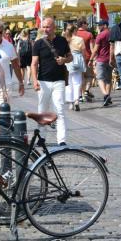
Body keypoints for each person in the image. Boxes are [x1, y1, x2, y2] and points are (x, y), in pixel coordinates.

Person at [31, 17, 72, 146]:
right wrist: (34, 80)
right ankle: (42, 138)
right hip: (43, 81)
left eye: (48, 27)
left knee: (59, 110)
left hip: (59, 80)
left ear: (54, 27)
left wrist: (64, 60)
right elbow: (34, 64)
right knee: (42, 110)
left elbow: (70, 56)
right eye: (43, 27)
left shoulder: (62, 41)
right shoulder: (38, 43)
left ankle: (62, 140)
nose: (45, 29)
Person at [0, 21, 24, 116]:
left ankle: (2, 131)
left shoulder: (9, 46)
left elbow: (16, 65)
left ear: (3, 32)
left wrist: (21, 82)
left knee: (3, 113)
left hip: (5, 86)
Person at [89, 20, 113, 106]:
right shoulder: (112, 34)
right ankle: (107, 98)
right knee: (108, 80)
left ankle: (105, 95)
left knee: (100, 78)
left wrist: (91, 60)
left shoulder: (100, 35)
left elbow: (95, 50)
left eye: (100, 25)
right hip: (110, 60)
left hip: (101, 60)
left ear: (105, 25)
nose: (98, 27)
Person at [64, 24, 86, 112]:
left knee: (69, 83)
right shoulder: (80, 39)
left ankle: (70, 102)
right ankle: (76, 100)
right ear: (74, 31)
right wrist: (84, 61)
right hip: (77, 59)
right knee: (77, 82)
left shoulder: (66, 39)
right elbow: (83, 52)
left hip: (68, 60)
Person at [75, 18, 96, 101]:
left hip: (76, 58)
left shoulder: (74, 34)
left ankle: (80, 96)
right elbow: (92, 48)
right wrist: (93, 58)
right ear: (83, 24)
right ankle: (86, 91)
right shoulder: (89, 34)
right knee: (90, 76)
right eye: (86, 23)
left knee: (80, 77)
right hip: (87, 58)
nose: (87, 25)